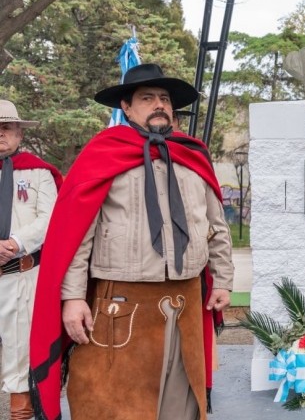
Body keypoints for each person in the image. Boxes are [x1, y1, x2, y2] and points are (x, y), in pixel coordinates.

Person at [29, 63, 235, 420]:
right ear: (126, 107)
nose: (159, 105)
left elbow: (216, 226)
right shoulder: (103, 154)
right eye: (147, 98)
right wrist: (73, 298)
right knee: (112, 404)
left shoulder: (193, 155)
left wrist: (224, 278)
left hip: (185, 303)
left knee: (181, 408)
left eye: (165, 99)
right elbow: (76, 236)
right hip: (121, 306)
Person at [0, 100, 61, 420]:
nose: (1, 134)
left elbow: (51, 217)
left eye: (7, 128)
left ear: (20, 133)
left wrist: (15, 242)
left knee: (20, 351)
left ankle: (21, 413)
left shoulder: (38, 172)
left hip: (21, 276)